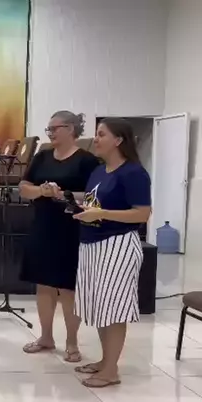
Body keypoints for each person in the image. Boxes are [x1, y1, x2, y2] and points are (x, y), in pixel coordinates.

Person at [72, 118, 151, 388]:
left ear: (118, 140)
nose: (95, 139)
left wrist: (102, 214)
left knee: (114, 309)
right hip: (92, 244)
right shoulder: (99, 171)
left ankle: (110, 371)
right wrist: (69, 199)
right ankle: (106, 361)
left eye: (101, 134)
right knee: (100, 307)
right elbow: (93, 202)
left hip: (116, 245)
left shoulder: (133, 173)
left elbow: (142, 214)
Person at [18, 111, 100, 360]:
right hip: (43, 225)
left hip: (72, 228)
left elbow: (94, 196)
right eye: (49, 129)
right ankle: (46, 337)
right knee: (43, 284)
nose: (51, 133)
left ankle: (72, 342)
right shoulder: (42, 156)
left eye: (55, 128)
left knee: (67, 287)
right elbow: (24, 188)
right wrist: (41, 191)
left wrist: (63, 194)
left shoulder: (87, 160)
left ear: (71, 129)